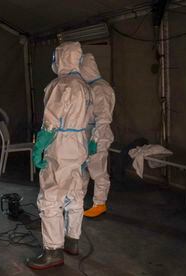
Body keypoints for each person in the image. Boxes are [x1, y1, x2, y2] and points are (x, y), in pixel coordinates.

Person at [27, 42, 92, 270]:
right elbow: (91, 120)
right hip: (80, 143)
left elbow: (51, 122)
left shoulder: (61, 85)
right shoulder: (84, 86)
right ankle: (72, 240)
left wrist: (39, 147)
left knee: (51, 196)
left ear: (61, 57)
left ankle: (52, 251)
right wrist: (90, 143)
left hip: (62, 145)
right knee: (75, 191)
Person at [80, 53, 116, 218]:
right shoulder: (91, 87)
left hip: (98, 137)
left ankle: (100, 203)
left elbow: (103, 118)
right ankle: (77, 201)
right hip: (87, 135)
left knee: (98, 171)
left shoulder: (101, 88)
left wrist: (95, 139)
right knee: (83, 170)